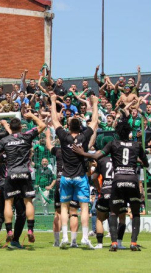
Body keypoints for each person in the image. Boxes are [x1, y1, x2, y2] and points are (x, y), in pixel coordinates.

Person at [73, 119, 149, 251]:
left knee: (113, 212)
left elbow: (97, 156)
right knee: (135, 213)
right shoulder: (137, 145)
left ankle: (114, 243)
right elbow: (146, 163)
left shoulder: (113, 144)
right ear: (129, 132)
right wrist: (136, 160)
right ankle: (133, 243)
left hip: (118, 180)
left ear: (117, 132)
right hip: (132, 180)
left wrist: (83, 153)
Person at [50, 93, 99, 249]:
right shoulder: (84, 137)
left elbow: (54, 120)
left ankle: (64, 237)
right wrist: (95, 104)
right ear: (80, 128)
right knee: (83, 207)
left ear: (69, 127)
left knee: (64, 207)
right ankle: (84, 237)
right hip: (80, 177)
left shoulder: (64, 137)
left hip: (65, 177)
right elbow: (95, 121)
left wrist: (52, 102)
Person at [0, 112, 46, 244]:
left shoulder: (5, 140)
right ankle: (31, 230)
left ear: (10, 127)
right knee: (28, 202)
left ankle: (9, 231)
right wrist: (32, 116)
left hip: (11, 174)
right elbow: (42, 125)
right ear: (21, 127)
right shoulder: (26, 136)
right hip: (25, 173)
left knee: (8, 202)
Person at [90, 154, 127, 249]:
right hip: (119, 191)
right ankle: (119, 243)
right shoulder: (121, 159)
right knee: (122, 218)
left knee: (99, 218)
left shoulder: (102, 160)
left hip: (105, 191)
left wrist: (99, 189)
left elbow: (93, 177)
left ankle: (99, 244)